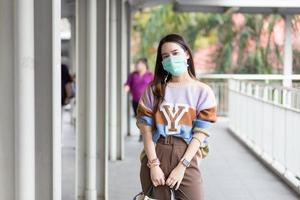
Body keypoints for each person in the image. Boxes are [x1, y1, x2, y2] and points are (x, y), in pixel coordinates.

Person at [136, 34, 217, 200]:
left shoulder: (203, 91)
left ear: (187, 53)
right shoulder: (154, 90)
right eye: (165, 56)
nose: (171, 59)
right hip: (156, 153)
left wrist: (183, 166)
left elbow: (200, 133)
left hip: (186, 153)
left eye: (175, 53)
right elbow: (146, 132)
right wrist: (154, 165)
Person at [124, 58, 153, 141]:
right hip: (135, 101)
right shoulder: (133, 75)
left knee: (145, 117)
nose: (137, 66)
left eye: (139, 64)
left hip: (147, 101)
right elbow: (128, 84)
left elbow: (155, 86)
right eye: (136, 64)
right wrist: (126, 88)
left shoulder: (150, 75)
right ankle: (142, 132)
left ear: (144, 65)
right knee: (139, 118)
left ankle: (144, 134)